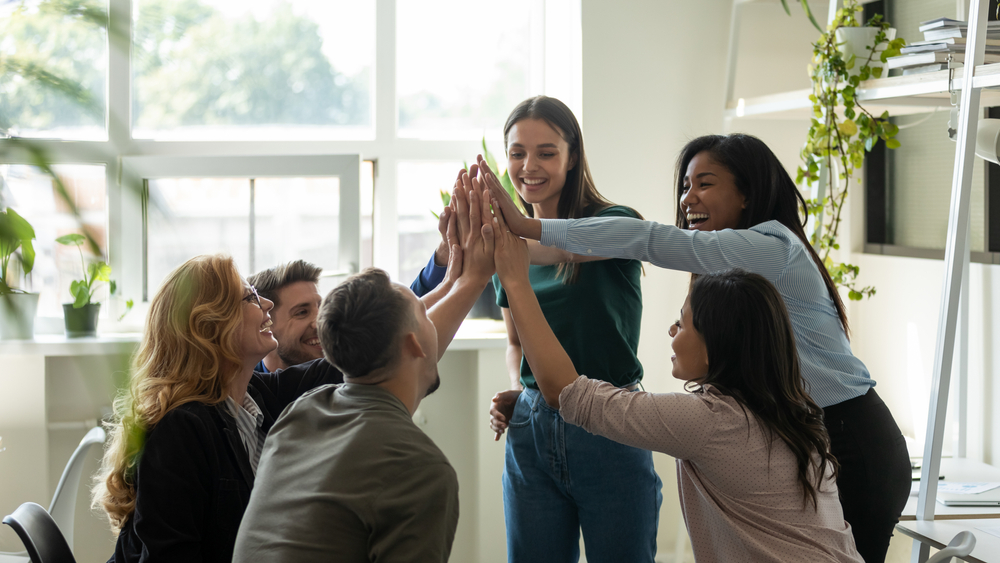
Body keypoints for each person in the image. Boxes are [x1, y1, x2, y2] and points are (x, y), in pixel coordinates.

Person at [484, 132, 911, 563]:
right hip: (803, 428)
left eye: (705, 183)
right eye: (686, 186)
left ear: (747, 193)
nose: (689, 198)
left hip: (849, 435)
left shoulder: (772, 248)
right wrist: (496, 249)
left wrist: (525, 227)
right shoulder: (728, 285)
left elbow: (645, 240)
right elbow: (572, 251)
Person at [232, 182, 497, 562]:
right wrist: (477, 278)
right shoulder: (420, 468)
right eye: (423, 315)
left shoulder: (301, 412)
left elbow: (388, 320)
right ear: (413, 344)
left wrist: (456, 273)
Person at [486, 95, 661, 563]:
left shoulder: (616, 224)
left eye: (546, 151)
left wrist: (515, 233)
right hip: (532, 429)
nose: (529, 166)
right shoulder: (511, 252)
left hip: (610, 421)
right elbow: (515, 343)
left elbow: (561, 249)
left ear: (573, 155)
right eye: (518, 152)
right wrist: (516, 389)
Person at [92, 254, 346, 563]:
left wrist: (408, 322)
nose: (266, 304)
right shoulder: (180, 430)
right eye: (250, 298)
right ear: (211, 324)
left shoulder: (256, 397)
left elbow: (351, 364)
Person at [247, 260, 323, 373]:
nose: (321, 323)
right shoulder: (241, 385)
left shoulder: (349, 381)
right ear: (264, 322)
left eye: (322, 308)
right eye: (302, 312)